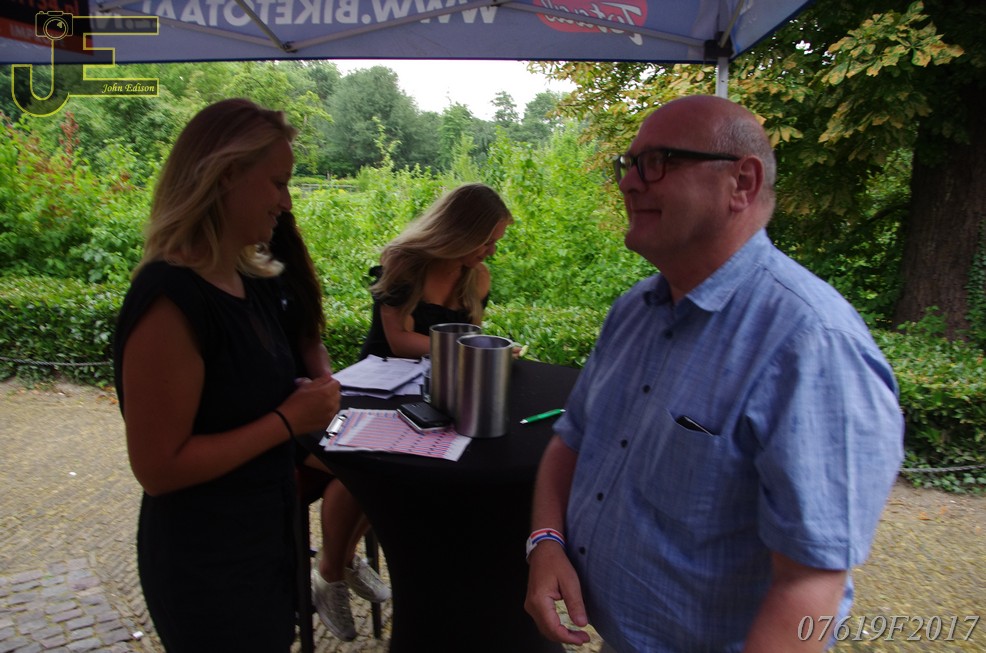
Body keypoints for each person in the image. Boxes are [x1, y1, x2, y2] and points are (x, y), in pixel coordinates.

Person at [524, 95, 904, 652]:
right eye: (627, 164)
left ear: (741, 183)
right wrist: (545, 542)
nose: (628, 183)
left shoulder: (813, 346)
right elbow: (572, 439)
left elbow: (811, 584)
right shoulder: (634, 310)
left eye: (657, 162)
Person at [113, 98, 340, 652]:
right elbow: (158, 468)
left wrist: (297, 397)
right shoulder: (170, 298)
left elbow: (243, 393)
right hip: (208, 564)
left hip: (261, 541)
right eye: (278, 183)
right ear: (225, 176)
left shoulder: (247, 279)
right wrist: (288, 419)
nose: (287, 203)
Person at [269, 211, 390, 642]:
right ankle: (331, 570)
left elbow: (310, 340)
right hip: (279, 426)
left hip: (309, 410)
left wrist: (325, 380)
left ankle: (341, 560)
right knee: (365, 468)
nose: (284, 199)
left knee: (380, 459)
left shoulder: (287, 267)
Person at [358, 182, 513, 360]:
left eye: (495, 242)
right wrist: (476, 351)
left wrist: (490, 351)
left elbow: (470, 339)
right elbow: (400, 342)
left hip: (439, 373)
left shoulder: (478, 276)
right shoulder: (403, 265)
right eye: (486, 242)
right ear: (461, 234)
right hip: (383, 374)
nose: (492, 251)